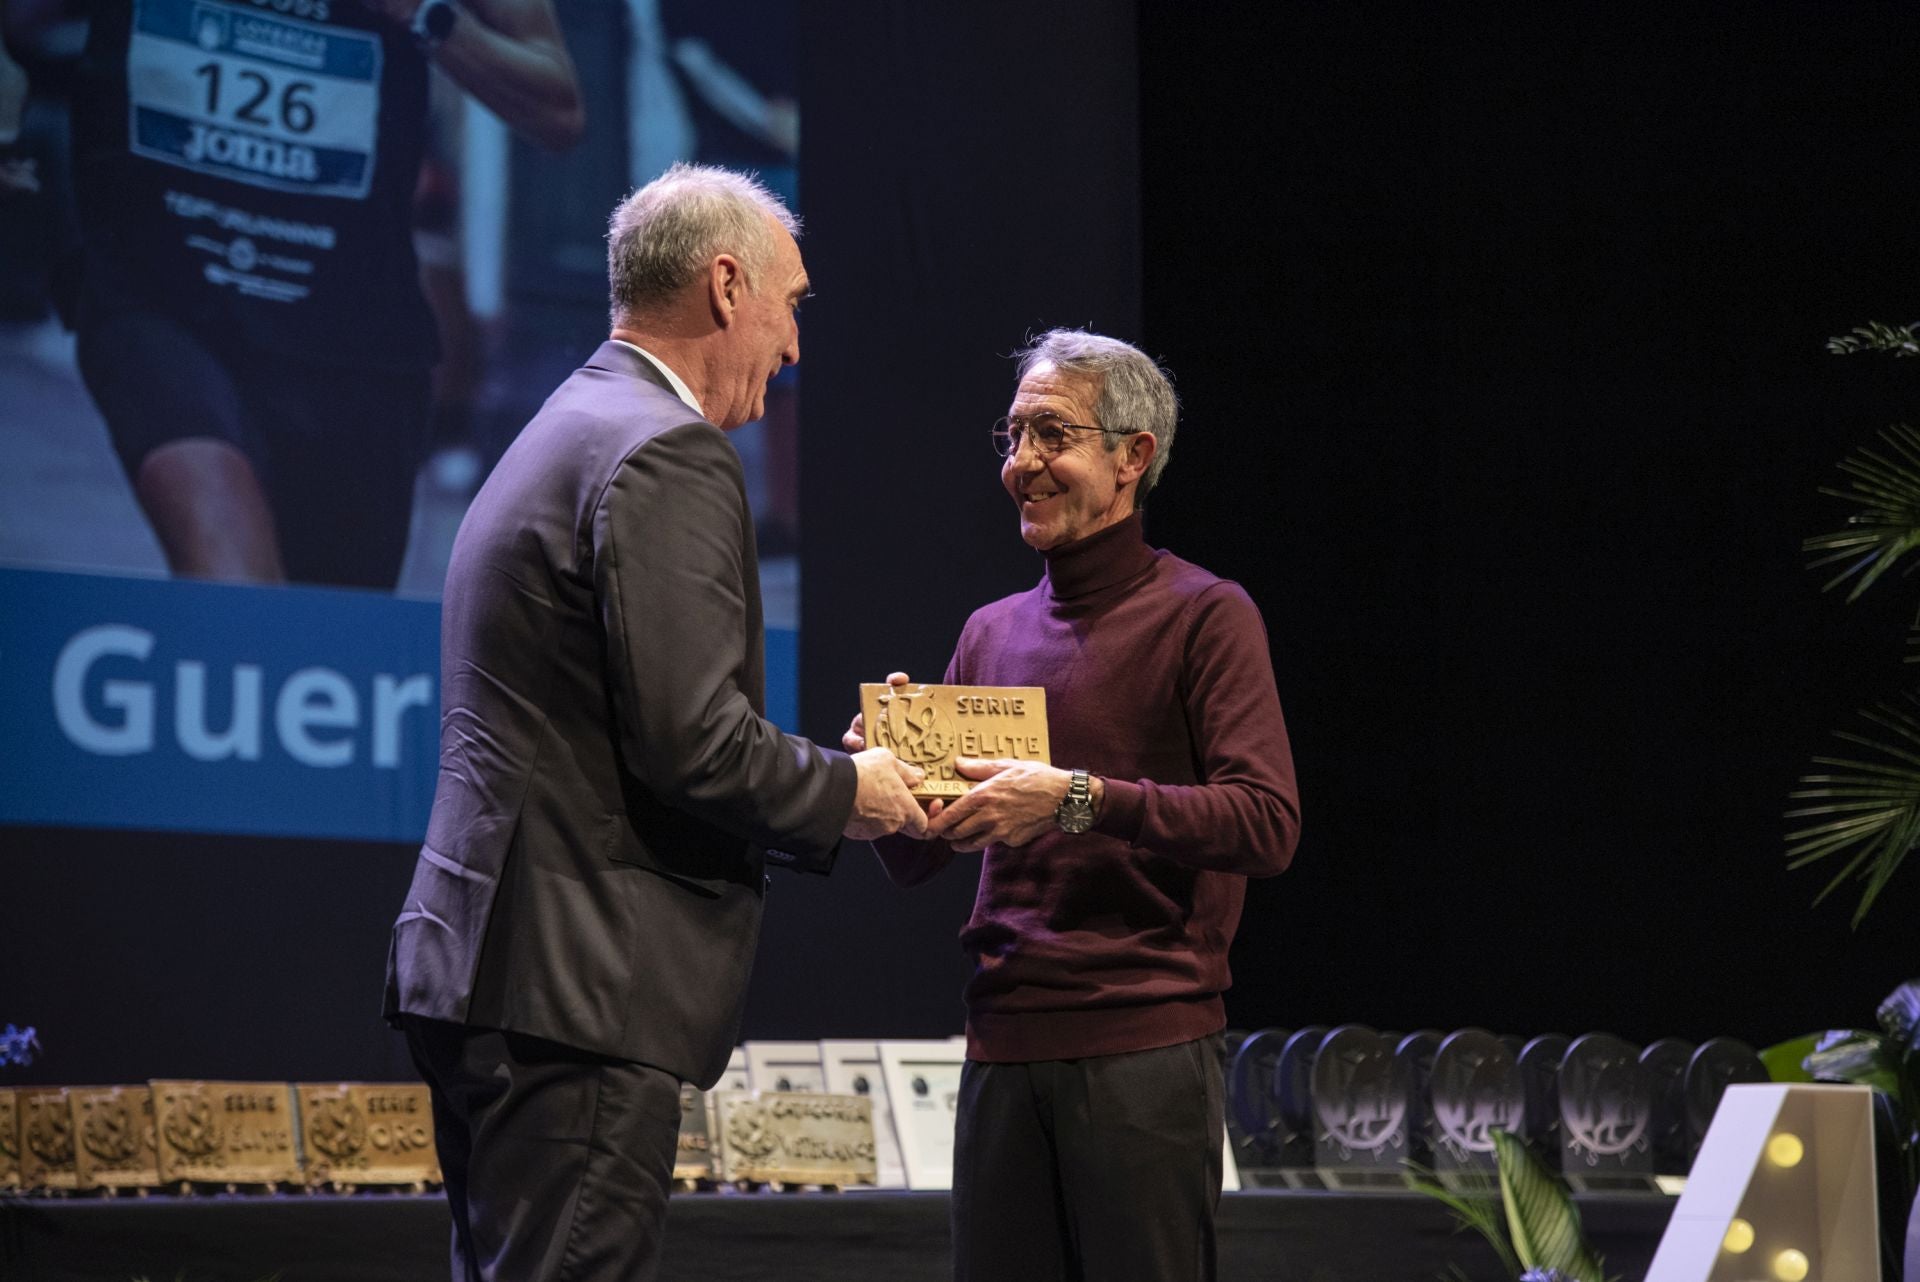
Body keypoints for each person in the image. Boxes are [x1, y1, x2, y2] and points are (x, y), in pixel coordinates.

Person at [385, 163, 929, 1282]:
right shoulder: (668, 449)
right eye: (792, 305)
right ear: (728, 286)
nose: (794, 347)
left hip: (502, 974)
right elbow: (695, 740)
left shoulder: (571, 422)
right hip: (574, 995)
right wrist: (853, 790)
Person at [848, 329, 1301, 1282]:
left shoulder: (1205, 614)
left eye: (1050, 434)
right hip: (1003, 1048)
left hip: (1141, 1050)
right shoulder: (991, 631)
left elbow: (1265, 822)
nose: (1021, 465)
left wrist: (1080, 802)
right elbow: (925, 852)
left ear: (1133, 456)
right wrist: (881, 789)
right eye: (1012, 437)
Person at [52, 0, 585, 587]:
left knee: (323, 634)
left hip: (349, 333)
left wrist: (424, 16)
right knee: (230, 579)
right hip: (161, 289)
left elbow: (558, 106)